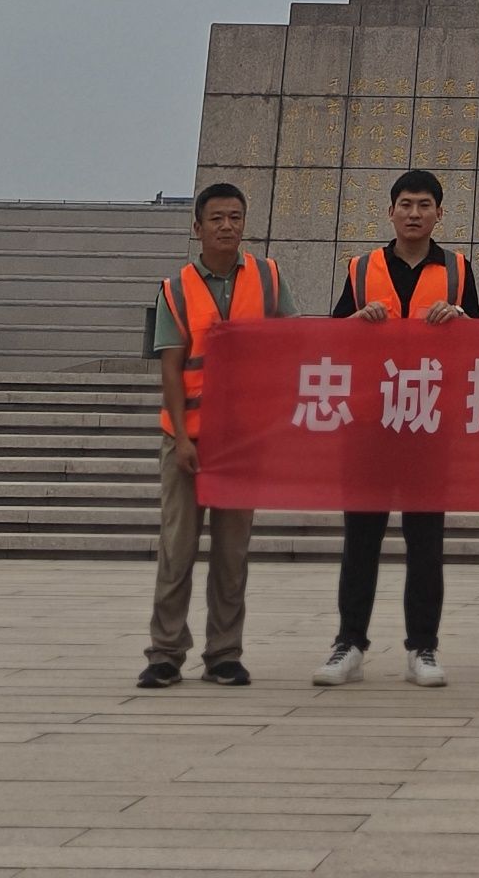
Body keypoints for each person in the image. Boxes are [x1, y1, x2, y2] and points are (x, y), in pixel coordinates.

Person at [314, 168, 470, 691]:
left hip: (428, 420)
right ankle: (350, 643)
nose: (414, 213)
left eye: (424, 205)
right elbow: (334, 337)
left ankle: (422, 647)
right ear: (390, 211)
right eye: (405, 204)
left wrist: (460, 318)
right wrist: (357, 320)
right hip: (369, 421)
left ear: (439, 214)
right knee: (361, 538)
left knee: (426, 540)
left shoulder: (458, 270)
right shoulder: (362, 269)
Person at [136, 180, 285, 691]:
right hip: (189, 440)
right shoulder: (176, 288)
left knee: (231, 553)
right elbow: (172, 369)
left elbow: (291, 344)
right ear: (197, 227)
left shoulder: (268, 279)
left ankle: (224, 654)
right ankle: (165, 654)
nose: (227, 226)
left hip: (241, 442)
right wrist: (181, 438)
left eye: (235, 218)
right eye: (217, 218)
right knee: (177, 549)